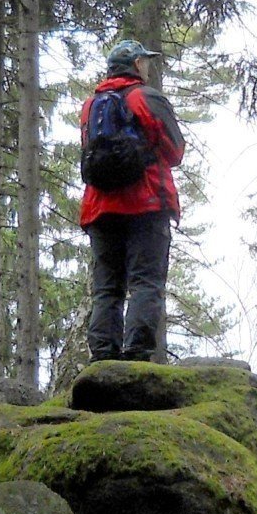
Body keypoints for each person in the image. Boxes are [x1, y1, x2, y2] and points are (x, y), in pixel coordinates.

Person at [79, 39, 186, 362]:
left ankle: (103, 357)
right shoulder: (146, 98)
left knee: (106, 287)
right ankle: (137, 355)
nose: (148, 67)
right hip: (146, 204)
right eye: (145, 61)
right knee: (145, 282)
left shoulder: (91, 105)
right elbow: (175, 151)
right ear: (137, 64)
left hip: (100, 208)